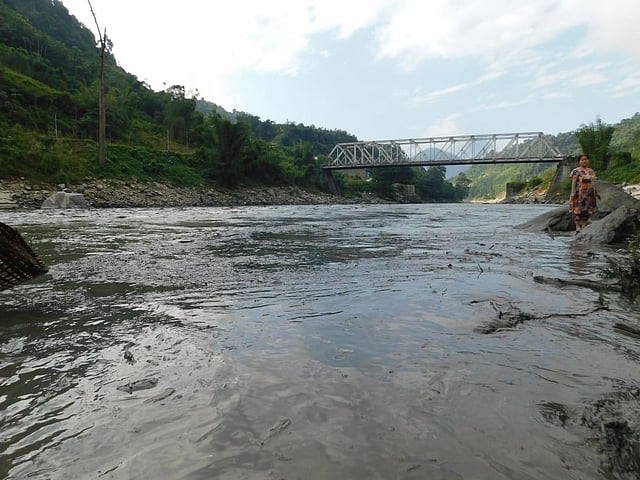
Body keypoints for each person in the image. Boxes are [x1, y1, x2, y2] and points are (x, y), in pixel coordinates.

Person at [569, 154, 600, 233]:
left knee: (588, 210)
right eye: (582, 160)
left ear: (588, 160)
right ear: (579, 161)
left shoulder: (591, 171)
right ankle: (577, 226)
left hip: (590, 194)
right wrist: (572, 192)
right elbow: (574, 182)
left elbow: (593, 182)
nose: (584, 161)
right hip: (579, 193)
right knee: (578, 209)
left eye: (585, 159)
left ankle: (584, 225)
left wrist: (596, 192)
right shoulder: (576, 171)